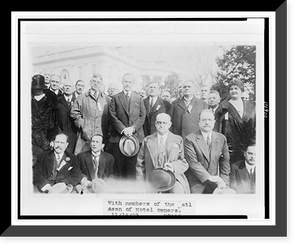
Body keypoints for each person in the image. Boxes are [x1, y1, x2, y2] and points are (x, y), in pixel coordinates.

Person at [136, 113, 190, 193]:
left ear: (169, 124)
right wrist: (140, 184)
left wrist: (173, 166)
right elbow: (140, 164)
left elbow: (184, 162)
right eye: (159, 123)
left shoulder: (177, 140)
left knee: (178, 192)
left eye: (164, 123)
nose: (161, 125)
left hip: (173, 178)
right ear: (155, 124)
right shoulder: (147, 140)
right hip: (153, 179)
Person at [108, 73, 146, 180]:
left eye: (130, 82)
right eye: (125, 81)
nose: (127, 84)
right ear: (122, 82)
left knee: (133, 166)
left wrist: (132, 128)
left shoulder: (139, 98)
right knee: (119, 166)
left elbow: (142, 116)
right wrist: (123, 129)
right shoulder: (115, 98)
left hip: (135, 136)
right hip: (119, 136)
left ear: (133, 83)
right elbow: (112, 115)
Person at [184, 109, 230, 194]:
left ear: (214, 122)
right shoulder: (190, 139)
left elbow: (225, 164)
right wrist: (209, 177)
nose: (207, 122)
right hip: (197, 182)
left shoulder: (221, 138)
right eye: (204, 120)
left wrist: (224, 182)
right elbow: (193, 163)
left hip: (216, 182)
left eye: (209, 120)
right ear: (199, 122)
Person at [215, 78, 256, 164]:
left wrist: (252, 145)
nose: (233, 91)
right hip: (229, 148)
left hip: (247, 147)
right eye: (231, 89)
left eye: (236, 88)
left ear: (241, 90)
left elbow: (255, 126)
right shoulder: (223, 106)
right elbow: (217, 127)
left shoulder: (250, 106)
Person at [70, 74, 110, 155]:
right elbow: (74, 113)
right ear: (90, 82)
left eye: (98, 82)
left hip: (100, 137)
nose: (95, 83)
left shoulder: (107, 99)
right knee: (82, 160)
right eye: (94, 81)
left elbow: (110, 117)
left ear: (101, 84)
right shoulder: (82, 97)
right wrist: (83, 125)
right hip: (84, 137)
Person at [31, 74, 61, 156]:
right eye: (35, 88)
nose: (37, 91)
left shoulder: (51, 101)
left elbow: (55, 123)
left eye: (39, 89)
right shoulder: (26, 98)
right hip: (30, 138)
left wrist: (53, 138)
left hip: (46, 139)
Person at [57, 80, 77, 153]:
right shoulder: (57, 100)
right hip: (60, 133)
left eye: (69, 86)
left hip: (74, 135)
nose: (68, 88)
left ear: (74, 88)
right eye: (66, 86)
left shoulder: (77, 101)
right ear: (63, 88)